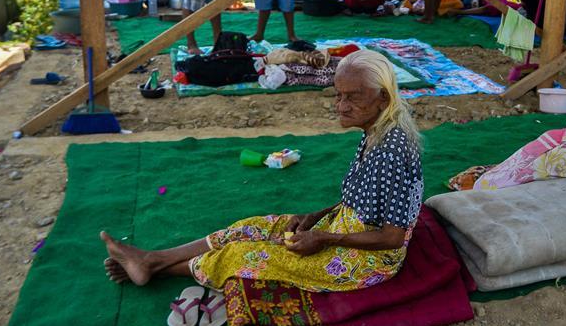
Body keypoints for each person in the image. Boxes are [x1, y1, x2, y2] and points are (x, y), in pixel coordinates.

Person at [100, 50, 424, 295]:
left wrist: (325, 237)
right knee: (253, 227)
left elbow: (391, 237)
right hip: (346, 227)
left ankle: (154, 267)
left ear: (383, 97)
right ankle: (152, 259)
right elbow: (365, 202)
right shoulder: (378, 129)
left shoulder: (392, 149)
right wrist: (316, 216)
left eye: (353, 97)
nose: (341, 105)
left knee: (246, 254)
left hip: (368, 260)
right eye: (339, 95)